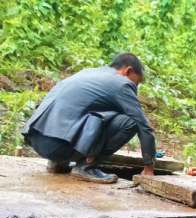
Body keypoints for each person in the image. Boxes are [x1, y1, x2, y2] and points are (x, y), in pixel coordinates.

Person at [22, 53, 156, 184]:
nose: (135, 88)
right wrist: (149, 168)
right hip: (59, 146)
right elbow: (143, 125)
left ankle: (58, 162)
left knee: (103, 114)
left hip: (36, 138)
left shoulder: (88, 72)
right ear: (128, 71)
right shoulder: (121, 83)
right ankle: (86, 167)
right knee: (131, 122)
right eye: (136, 82)